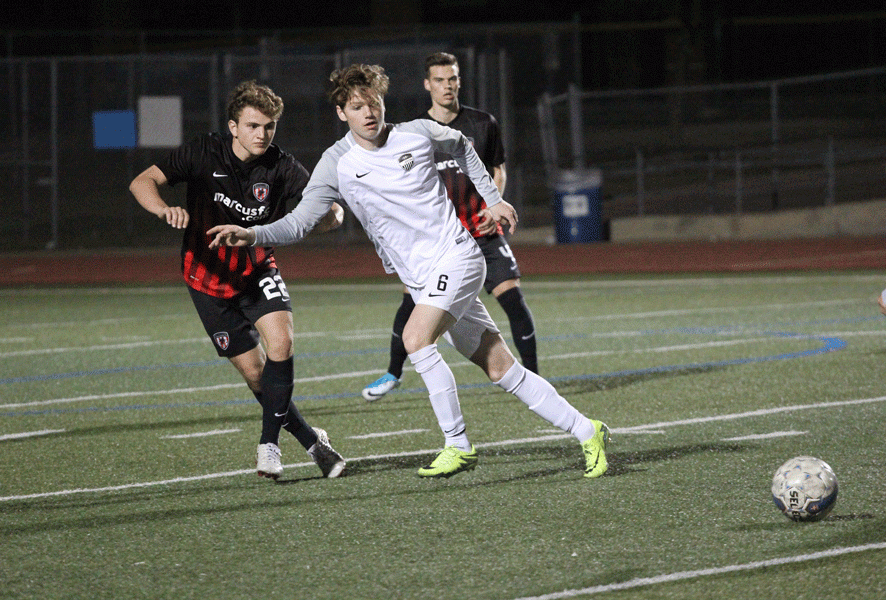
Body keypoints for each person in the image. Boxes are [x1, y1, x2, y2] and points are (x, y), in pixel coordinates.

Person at [208, 64, 610, 479]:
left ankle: (458, 444)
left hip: (456, 257)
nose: (369, 113)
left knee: (416, 338)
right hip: (422, 279)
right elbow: (298, 222)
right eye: (357, 106)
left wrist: (491, 198)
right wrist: (252, 235)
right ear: (341, 112)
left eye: (375, 104)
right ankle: (588, 430)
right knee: (501, 368)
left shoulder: (417, 133)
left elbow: (465, 148)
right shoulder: (336, 163)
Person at [129, 80, 346, 481]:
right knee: (256, 375)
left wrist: (328, 218)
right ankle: (313, 442)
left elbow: (329, 210)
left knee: (281, 342)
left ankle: (269, 444)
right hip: (207, 281)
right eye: (253, 126)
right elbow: (141, 181)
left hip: (257, 271)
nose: (262, 134)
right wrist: (164, 210)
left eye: (269, 126)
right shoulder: (202, 151)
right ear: (233, 127)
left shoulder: (281, 165)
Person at [361, 51, 538, 402]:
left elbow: (497, 169)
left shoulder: (482, 123)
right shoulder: (413, 132)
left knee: (513, 300)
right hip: (438, 241)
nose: (447, 86)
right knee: (410, 304)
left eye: (452, 78)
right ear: (427, 84)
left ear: (460, 80)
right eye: (439, 80)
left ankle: (534, 377)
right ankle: (393, 374)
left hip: (483, 230)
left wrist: (493, 203)